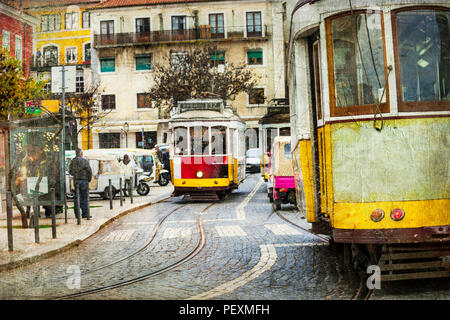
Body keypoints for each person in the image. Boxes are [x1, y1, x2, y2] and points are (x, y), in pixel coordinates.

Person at [69, 148, 92, 219]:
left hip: (76, 181)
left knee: (76, 197)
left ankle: (77, 214)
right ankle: (84, 214)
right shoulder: (84, 161)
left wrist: (75, 175)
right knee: (84, 197)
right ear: (81, 153)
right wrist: (88, 179)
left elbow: (70, 171)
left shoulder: (73, 161)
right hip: (84, 181)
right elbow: (89, 171)